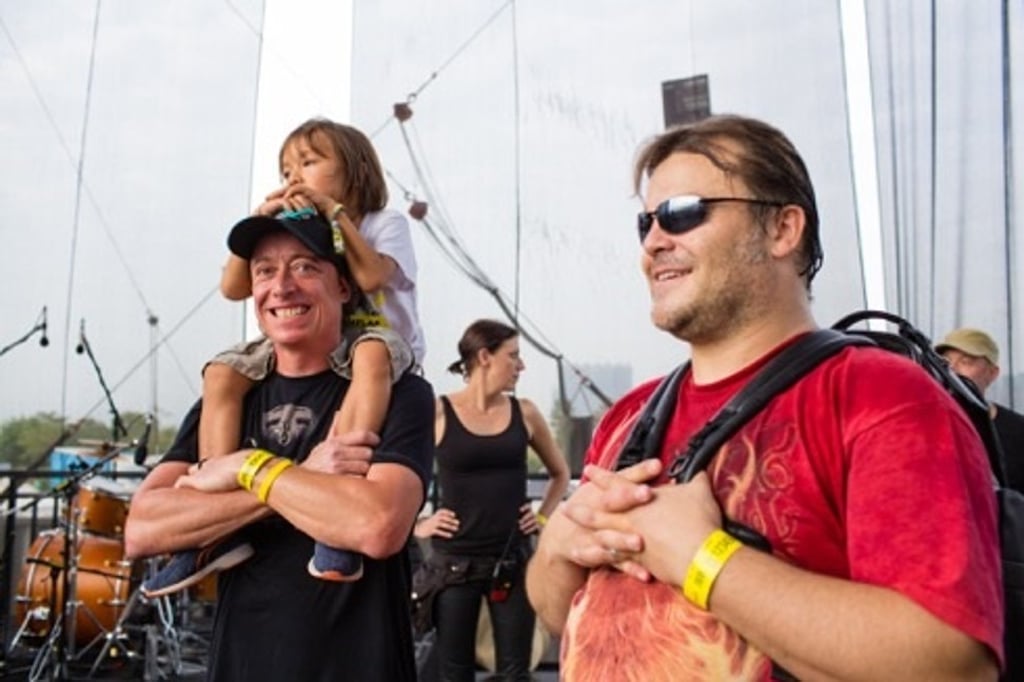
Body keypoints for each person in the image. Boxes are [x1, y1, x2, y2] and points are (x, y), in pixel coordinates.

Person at [525, 114, 1003, 681]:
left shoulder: (877, 396)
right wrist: (559, 547)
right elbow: (571, 619)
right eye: (645, 223)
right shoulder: (629, 418)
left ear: (782, 229)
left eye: (683, 212)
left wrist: (704, 560)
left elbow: (950, 665)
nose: (654, 242)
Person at [123, 209, 434, 681]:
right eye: (265, 270)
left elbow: (377, 524)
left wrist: (246, 467)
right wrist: (296, 478)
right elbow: (144, 527)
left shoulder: (401, 392)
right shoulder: (230, 395)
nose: (282, 285)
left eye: (306, 267)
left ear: (344, 288)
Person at [143, 117, 425, 594]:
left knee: (371, 359)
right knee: (222, 373)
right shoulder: (294, 226)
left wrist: (334, 215)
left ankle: (338, 516)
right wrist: (263, 214)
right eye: (286, 169)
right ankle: (217, 515)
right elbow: (234, 287)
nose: (294, 176)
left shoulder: (383, 222)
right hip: (322, 342)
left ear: (353, 170)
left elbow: (372, 278)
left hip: (375, 338)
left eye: (310, 163)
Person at [413, 319, 569, 681]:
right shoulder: (437, 412)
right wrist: (418, 523)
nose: (521, 365)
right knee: (455, 673)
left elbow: (560, 474)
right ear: (484, 357)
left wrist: (543, 517)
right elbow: (395, 475)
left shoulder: (524, 412)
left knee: (516, 673)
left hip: (512, 562)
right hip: (454, 566)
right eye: (513, 356)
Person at [936, 326, 1024, 492]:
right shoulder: (922, 427)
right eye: (945, 361)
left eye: (966, 362)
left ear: (992, 373)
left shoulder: (1019, 431)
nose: (951, 369)